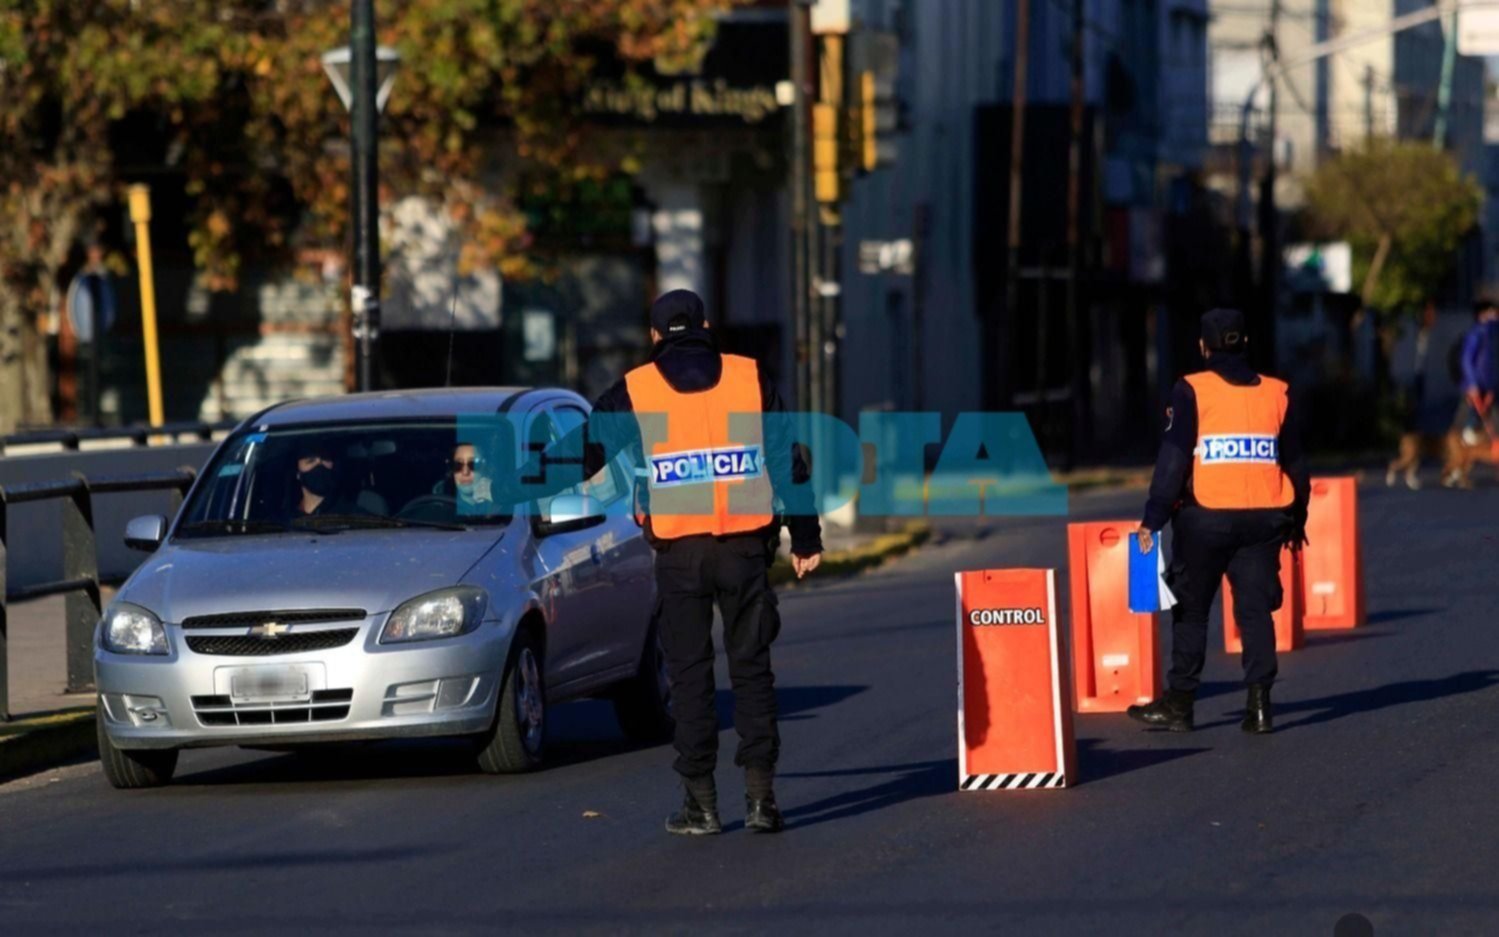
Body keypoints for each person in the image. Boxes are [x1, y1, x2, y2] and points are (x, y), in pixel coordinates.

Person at [507, 289, 823, 836]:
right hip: (744, 550)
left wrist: (520, 481)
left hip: (680, 556)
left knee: (691, 676)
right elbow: (786, 459)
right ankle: (761, 801)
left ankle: (701, 806)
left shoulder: (638, 389)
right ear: (706, 323)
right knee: (751, 672)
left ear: (655, 336)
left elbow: (585, 452)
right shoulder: (749, 376)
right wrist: (806, 537)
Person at [1127, 308, 1309, 735]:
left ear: (1203, 347)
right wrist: (1297, 519)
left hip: (1205, 519)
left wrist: (1152, 520)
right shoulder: (1278, 393)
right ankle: (1260, 706)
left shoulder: (1191, 389)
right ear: (1245, 343)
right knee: (1255, 611)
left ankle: (1180, 704)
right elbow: (1297, 464)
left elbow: (1173, 460)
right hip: (1265, 519)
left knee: (1191, 611)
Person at [288, 441, 360, 518]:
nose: (320, 465)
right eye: (310, 461)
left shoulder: (353, 516)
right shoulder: (286, 521)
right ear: (298, 473)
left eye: (325, 458)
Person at [434, 443, 494, 513]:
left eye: (473, 464)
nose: (465, 472)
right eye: (457, 465)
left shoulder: (502, 504)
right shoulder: (438, 507)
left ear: (486, 468)